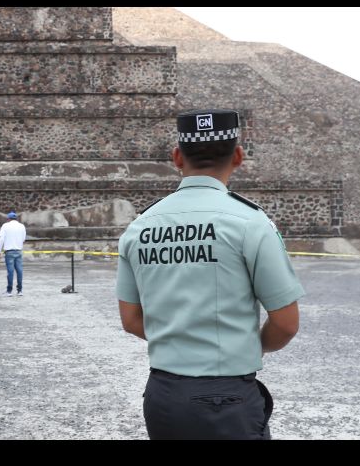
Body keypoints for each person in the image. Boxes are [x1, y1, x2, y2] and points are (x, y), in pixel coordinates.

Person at [115, 109, 304, 440]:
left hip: (163, 396)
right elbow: (286, 323)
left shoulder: (140, 227)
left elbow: (131, 320)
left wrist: (178, 339)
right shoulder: (251, 223)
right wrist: (244, 346)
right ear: (238, 156)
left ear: (177, 157)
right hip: (226, 397)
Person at [0, 211, 26, 297]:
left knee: (10, 272)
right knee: (19, 271)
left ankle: (9, 291)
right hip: (18, 251)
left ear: (8, 219)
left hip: (9, 252)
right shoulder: (22, 226)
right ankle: (20, 291)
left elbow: (1, 239)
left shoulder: (5, 226)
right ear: (16, 218)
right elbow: (23, 239)